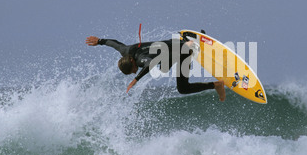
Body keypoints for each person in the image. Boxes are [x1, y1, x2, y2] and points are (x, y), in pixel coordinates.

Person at [85, 35, 226, 101]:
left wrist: (136, 79)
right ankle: (216, 84)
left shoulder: (141, 60)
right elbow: (114, 43)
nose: (135, 71)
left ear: (133, 63)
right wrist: (100, 41)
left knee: (161, 66)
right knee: (182, 88)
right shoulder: (125, 51)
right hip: (174, 47)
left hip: (180, 50)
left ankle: (187, 46)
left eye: (133, 70)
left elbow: (149, 64)